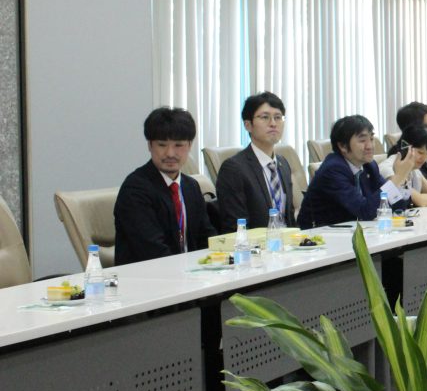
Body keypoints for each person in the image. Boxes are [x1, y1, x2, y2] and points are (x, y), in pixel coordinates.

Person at [115, 107, 214, 265]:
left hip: (191, 273)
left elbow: (207, 238)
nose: (170, 153)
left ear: (189, 145)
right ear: (150, 145)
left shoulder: (191, 186)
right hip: (149, 275)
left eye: (178, 145)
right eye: (162, 145)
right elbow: (152, 251)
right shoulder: (135, 190)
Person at [297, 115, 414, 229]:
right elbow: (364, 211)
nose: (370, 146)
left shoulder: (369, 165)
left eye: (371, 139)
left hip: (353, 230)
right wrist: (397, 177)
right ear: (343, 146)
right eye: (362, 140)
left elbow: (397, 206)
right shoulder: (333, 169)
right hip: (319, 234)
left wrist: (402, 181)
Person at [215, 92, 296, 233]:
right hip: (255, 245)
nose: (273, 123)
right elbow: (235, 227)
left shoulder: (283, 164)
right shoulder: (234, 169)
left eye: (278, 117)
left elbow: (289, 219)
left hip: (287, 243)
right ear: (248, 125)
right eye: (265, 117)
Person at [381, 125, 427, 207]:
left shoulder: (414, 170)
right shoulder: (388, 168)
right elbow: (421, 201)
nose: (424, 158)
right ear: (405, 147)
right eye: (420, 152)